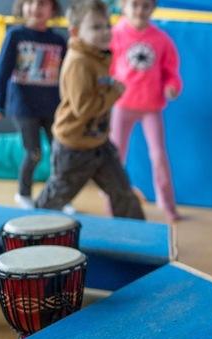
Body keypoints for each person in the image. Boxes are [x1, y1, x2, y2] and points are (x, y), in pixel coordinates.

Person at [34, 0, 145, 221]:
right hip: (74, 147)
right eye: (96, 27)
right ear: (75, 32)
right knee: (55, 197)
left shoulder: (98, 54)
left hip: (99, 143)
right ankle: (30, 231)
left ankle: (137, 239)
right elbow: (83, 109)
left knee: (122, 192)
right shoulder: (79, 62)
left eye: (107, 25)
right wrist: (114, 93)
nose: (105, 32)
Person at [0, 0, 74, 214]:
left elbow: (68, 77)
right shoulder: (16, 36)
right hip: (24, 108)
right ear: (22, 6)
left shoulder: (58, 40)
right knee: (34, 152)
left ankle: (58, 196)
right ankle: (24, 193)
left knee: (60, 153)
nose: (36, 7)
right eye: (30, 2)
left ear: (52, 8)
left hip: (53, 108)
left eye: (42, 3)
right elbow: (1, 71)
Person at [108, 0, 182, 222]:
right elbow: (106, 66)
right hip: (122, 104)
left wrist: (173, 86)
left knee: (159, 155)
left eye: (145, 5)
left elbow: (171, 71)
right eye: (135, 4)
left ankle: (167, 204)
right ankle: (112, 199)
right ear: (123, 5)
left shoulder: (161, 39)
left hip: (151, 107)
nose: (140, 10)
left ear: (153, 7)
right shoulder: (115, 34)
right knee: (115, 156)